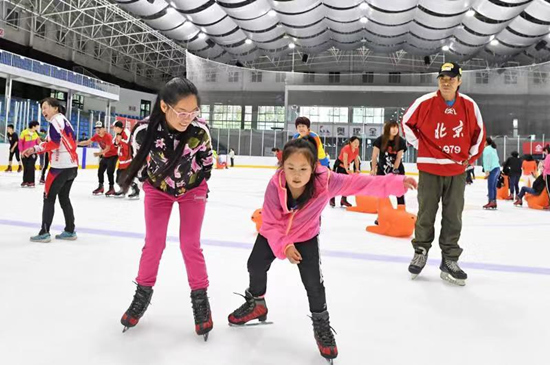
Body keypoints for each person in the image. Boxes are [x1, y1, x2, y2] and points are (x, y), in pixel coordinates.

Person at [227, 137, 417, 363]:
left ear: (313, 168)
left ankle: (321, 324)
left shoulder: (326, 181)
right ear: (282, 166)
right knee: (255, 264)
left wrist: (396, 183)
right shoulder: (274, 185)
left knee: (313, 283)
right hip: (276, 233)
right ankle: (256, 304)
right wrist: (285, 245)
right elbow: (268, 222)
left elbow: (360, 183)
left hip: (306, 234)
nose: (296, 175)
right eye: (290, 168)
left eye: (303, 169)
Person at [118, 77, 215, 340]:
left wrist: (194, 184)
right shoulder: (143, 131)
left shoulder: (199, 131)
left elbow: (207, 162)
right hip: (158, 192)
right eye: (182, 112)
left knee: (189, 244)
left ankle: (200, 300)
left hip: (192, 190)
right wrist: (155, 185)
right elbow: (140, 161)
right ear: (164, 107)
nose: (188, 117)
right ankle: (142, 295)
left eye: (193, 112)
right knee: (154, 244)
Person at [402, 61, 485, 286]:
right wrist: (421, 145)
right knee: (426, 213)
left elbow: (479, 133)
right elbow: (406, 123)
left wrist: (471, 156)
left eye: (450, 78)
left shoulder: (469, 105)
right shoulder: (425, 102)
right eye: (442, 78)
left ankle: (449, 259)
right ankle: (420, 251)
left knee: (453, 215)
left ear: (459, 80)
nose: (446, 82)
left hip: (456, 170)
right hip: (429, 168)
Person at [21, 98, 79, 243]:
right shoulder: (65, 121)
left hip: (59, 168)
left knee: (48, 198)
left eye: (46, 107)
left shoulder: (54, 121)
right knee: (64, 198)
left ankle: (44, 232)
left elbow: (54, 143)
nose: (43, 111)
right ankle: (70, 230)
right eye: (42, 108)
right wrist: (36, 148)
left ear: (55, 108)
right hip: (72, 166)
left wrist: (36, 149)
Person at [370, 120, 407, 210]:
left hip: (397, 170)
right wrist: (373, 169)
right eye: (392, 127)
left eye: (396, 127)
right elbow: (374, 156)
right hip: (382, 170)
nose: (395, 129)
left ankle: (401, 212)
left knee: (399, 192)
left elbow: (399, 158)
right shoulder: (380, 140)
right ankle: (382, 214)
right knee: (382, 193)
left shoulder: (401, 141)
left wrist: (394, 170)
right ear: (387, 129)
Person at [78, 121, 118, 196]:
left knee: (110, 172)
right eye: (96, 129)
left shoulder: (108, 136)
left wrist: (99, 153)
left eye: (99, 129)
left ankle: (111, 188)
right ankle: (100, 187)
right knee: (100, 171)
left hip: (113, 155)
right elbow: (88, 142)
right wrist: (77, 143)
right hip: (105, 156)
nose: (98, 131)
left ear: (104, 129)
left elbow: (107, 148)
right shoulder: (96, 136)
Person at [329, 136, 361, 207]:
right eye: (355, 142)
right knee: (336, 182)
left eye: (358, 143)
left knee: (347, 183)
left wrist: (357, 169)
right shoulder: (346, 148)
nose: (356, 144)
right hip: (339, 165)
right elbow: (345, 159)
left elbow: (356, 159)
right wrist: (347, 169)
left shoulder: (356, 149)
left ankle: (343, 199)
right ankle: (332, 198)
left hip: (347, 166)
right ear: (351, 142)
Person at [112, 121, 140, 199]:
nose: (113, 129)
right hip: (122, 159)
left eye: (114, 127)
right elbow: (114, 142)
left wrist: (120, 141)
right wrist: (117, 142)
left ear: (118, 127)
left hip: (129, 159)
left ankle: (136, 191)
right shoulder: (118, 134)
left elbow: (127, 143)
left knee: (129, 176)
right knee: (118, 177)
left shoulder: (126, 132)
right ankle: (123, 190)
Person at [18, 121, 41, 187]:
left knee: (31, 166)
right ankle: (25, 181)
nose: (38, 127)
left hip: (33, 153)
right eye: (37, 126)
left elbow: (38, 144)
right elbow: (20, 143)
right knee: (25, 167)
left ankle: (31, 182)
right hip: (24, 153)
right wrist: (22, 152)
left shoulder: (36, 134)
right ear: (33, 126)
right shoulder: (24, 132)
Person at [482, 137, 500, 210]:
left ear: (486, 142)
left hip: (492, 169)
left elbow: (487, 161)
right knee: (493, 187)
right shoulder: (493, 149)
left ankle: (491, 202)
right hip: (497, 168)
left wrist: (487, 171)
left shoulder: (486, 149)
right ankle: (494, 202)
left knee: (490, 187)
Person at [543, 145, 550, 209]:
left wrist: (543, 165)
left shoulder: (548, 156)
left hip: (548, 174)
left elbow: (547, 167)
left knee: (549, 190)